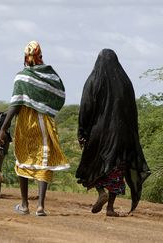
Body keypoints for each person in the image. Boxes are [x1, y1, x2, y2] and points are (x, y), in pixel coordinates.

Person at [0, 41, 69, 216]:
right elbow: (59, 95)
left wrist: (3, 129)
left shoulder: (22, 77)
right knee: (43, 159)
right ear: (40, 55)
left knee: (24, 156)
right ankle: (41, 206)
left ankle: (24, 204)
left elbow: (15, 105)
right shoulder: (50, 75)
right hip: (45, 122)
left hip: (25, 123)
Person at [76, 49, 151, 217]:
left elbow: (86, 107)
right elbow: (132, 111)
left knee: (94, 164)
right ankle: (110, 207)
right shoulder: (125, 82)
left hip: (98, 133)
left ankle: (101, 191)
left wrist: (82, 131)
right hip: (122, 134)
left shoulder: (94, 80)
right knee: (117, 169)